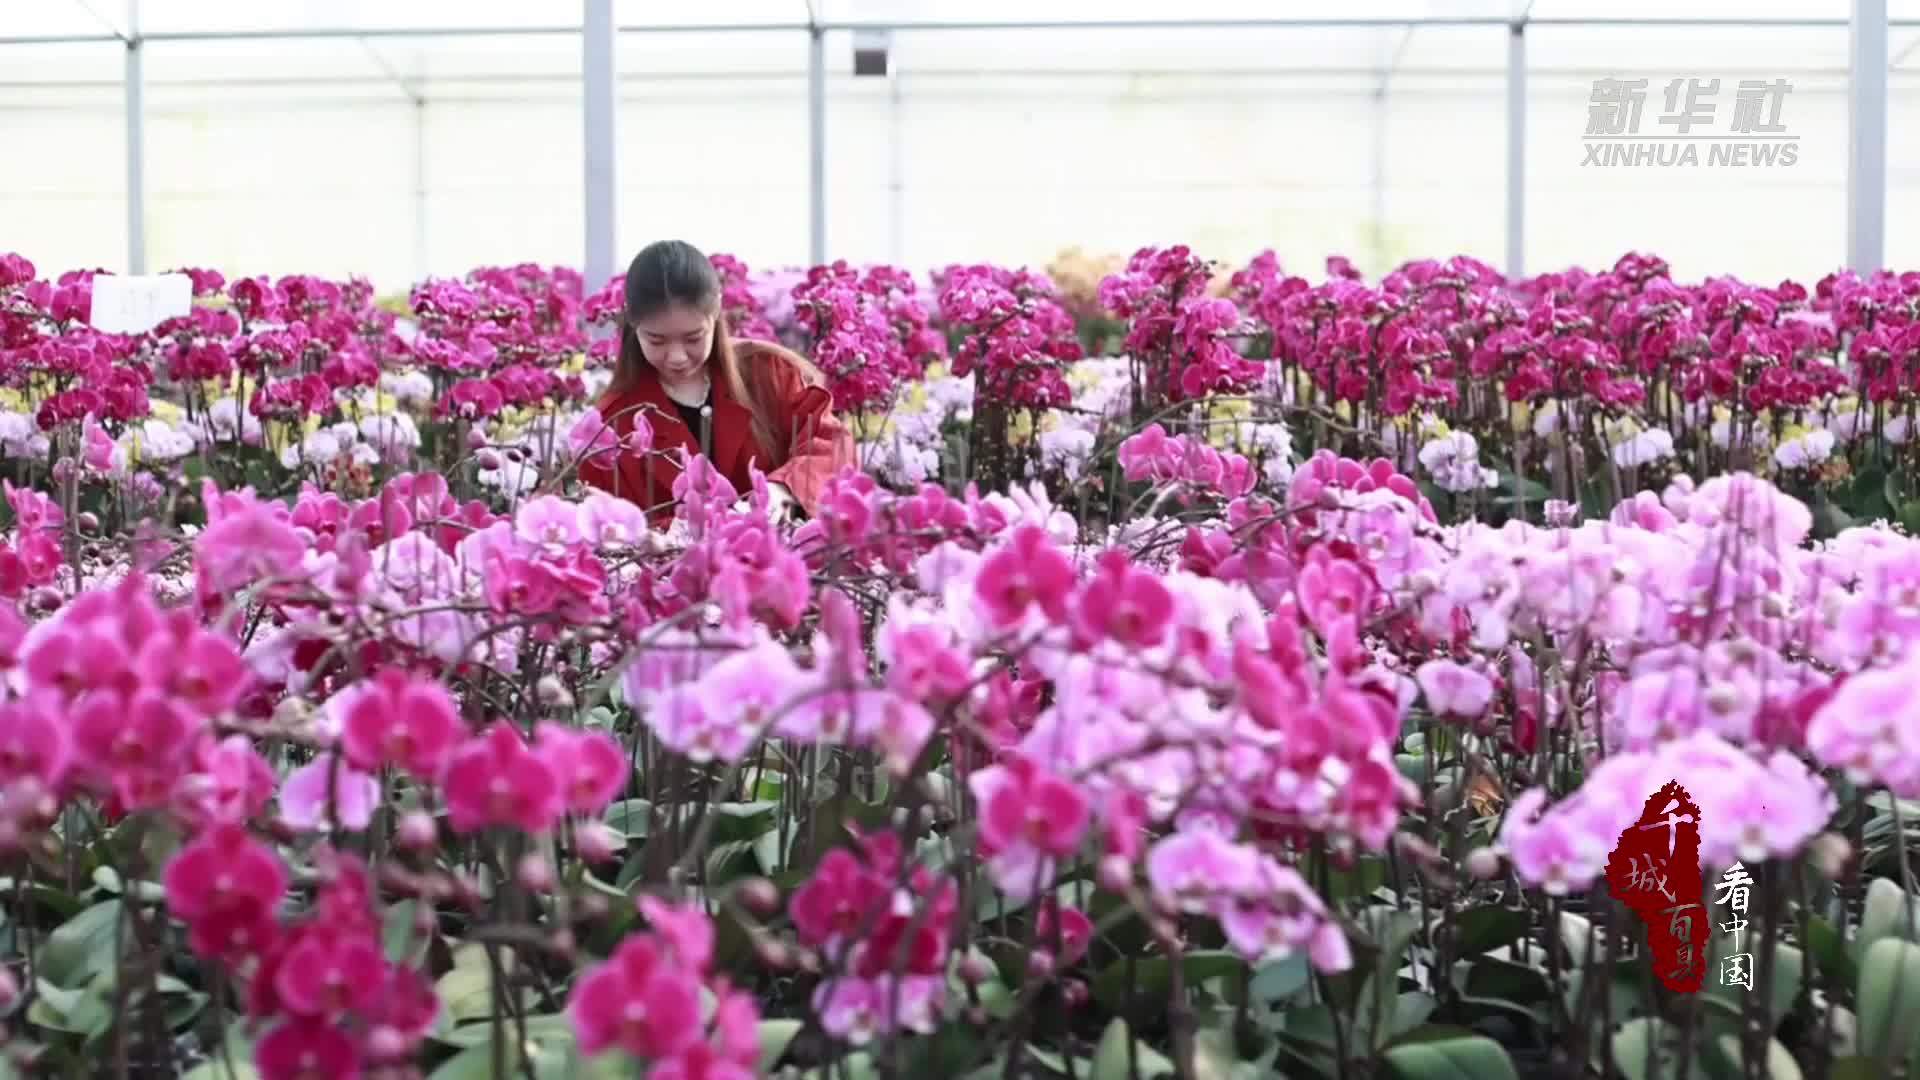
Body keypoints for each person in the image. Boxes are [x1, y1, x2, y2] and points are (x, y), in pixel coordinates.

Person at [578, 241, 855, 523]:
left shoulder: (769, 373)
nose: (677, 357)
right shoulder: (613, 424)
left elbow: (833, 445)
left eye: (693, 338)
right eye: (656, 340)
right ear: (633, 324)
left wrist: (785, 489)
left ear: (717, 310)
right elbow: (612, 525)